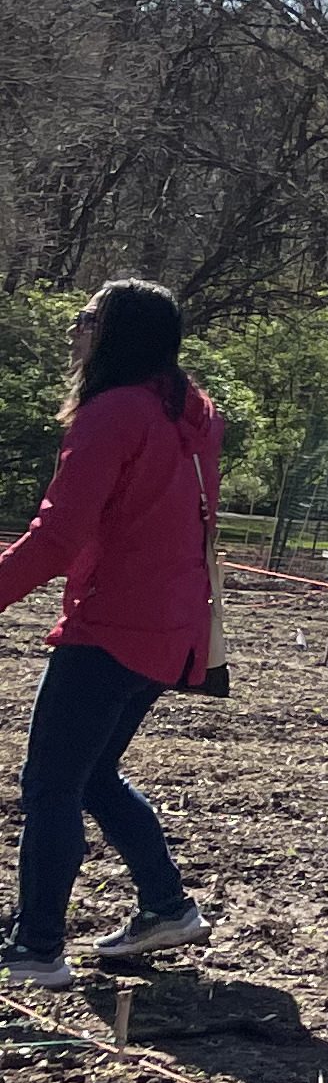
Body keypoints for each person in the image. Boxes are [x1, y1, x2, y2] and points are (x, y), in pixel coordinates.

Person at [0, 282, 226, 985]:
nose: (76, 328)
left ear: (115, 334)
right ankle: (167, 905)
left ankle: (38, 947)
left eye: (88, 318)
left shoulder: (113, 413)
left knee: (50, 784)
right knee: (92, 774)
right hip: (173, 626)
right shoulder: (190, 412)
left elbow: (57, 535)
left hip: (111, 627)